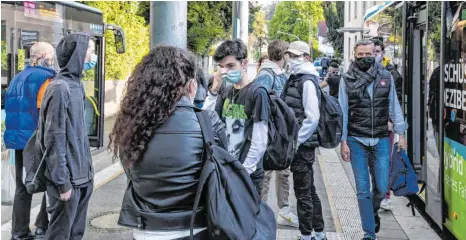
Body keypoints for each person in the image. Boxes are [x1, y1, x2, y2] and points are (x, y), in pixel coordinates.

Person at [110, 45, 226, 240]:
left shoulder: (129, 126)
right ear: (191, 85)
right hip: (194, 228)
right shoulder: (208, 122)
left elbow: (130, 172)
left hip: (145, 229)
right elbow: (220, 173)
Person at [339, 39, 408, 240]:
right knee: (362, 190)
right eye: (360, 55)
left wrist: (400, 133)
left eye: (368, 54)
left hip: (380, 139)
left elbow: (394, 106)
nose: (364, 58)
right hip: (356, 140)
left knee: (380, 187)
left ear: (375, 54)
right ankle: (369, 233)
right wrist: (343, 141)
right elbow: (343, 112)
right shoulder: (347, 78)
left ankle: (373, 211)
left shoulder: (386, 77)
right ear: (354, 55)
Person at [37, 33, 95, 240]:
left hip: (83, 177)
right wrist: (62, 183)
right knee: (59, 235)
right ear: (76, 54)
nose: (91, 56)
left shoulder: (76, 86)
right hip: (68, 181)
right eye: (88, 51)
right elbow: (53, 139)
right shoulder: (60, 88)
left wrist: (88, 175)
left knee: (75, 234)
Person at [203, 39, 270, 196]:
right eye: (221, 67)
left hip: (248, 174)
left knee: (248, 219)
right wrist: (214, 90)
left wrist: (244, 171)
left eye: (230, 66)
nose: (225, 71)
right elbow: (206, 120)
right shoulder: (225, 91)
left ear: (244, 64)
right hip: (225, 170)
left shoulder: (257, 93)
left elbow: (259, 140)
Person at [4, 42, 56, 240]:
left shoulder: (17, 77)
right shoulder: (46, 78)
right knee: (49, 182)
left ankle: (19, 233)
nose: (52, 58)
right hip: (36, 142)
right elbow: (46, 110)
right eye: (51, 54)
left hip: (17, 142)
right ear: (43, 55)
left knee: (22, 187)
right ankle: (42, 226)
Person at [281, 41, 326, 240]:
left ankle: (307, 235)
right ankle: (319, 232)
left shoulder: (306, 81)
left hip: (303, 146)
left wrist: (296, 141)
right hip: (301, 144)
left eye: (296, 56)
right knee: (310, 189)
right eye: (289, 55)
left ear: (306, 58)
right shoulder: (296, 78)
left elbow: (312, 116)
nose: (291, 59)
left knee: (303, 192)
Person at [254, 39, 299, 228]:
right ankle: (260, 212)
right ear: (283, 55)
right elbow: (260, 102)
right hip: (271, 133)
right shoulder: (266, 74)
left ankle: (283, 210)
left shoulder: (280, 73)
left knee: (283, 172)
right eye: (288, 54)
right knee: (266, 173)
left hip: (280, 133)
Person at [373, 40, 404, 210]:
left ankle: (385, 195)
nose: (375, 54)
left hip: (385, 124)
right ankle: (377, 192)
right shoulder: (366, 71)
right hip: (368, 125)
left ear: (383, 52)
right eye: (373, 51)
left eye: (378, 51)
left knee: (384, 160)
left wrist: (391, 121)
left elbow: (396, 100)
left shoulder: (391, 73)